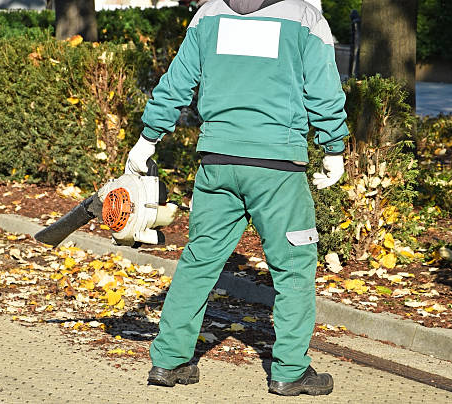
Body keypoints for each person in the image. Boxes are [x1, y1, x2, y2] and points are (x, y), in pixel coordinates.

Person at [124, 0, 348, 396]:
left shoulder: (209, 13)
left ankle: (169, 361)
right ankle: (290, 370)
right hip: (277, 166)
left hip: (217, 161)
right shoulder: (304, 17)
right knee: (294, 267)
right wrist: (333, 147)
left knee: (199, 261)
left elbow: (178, 80)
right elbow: (323, 87)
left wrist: (148, 138)